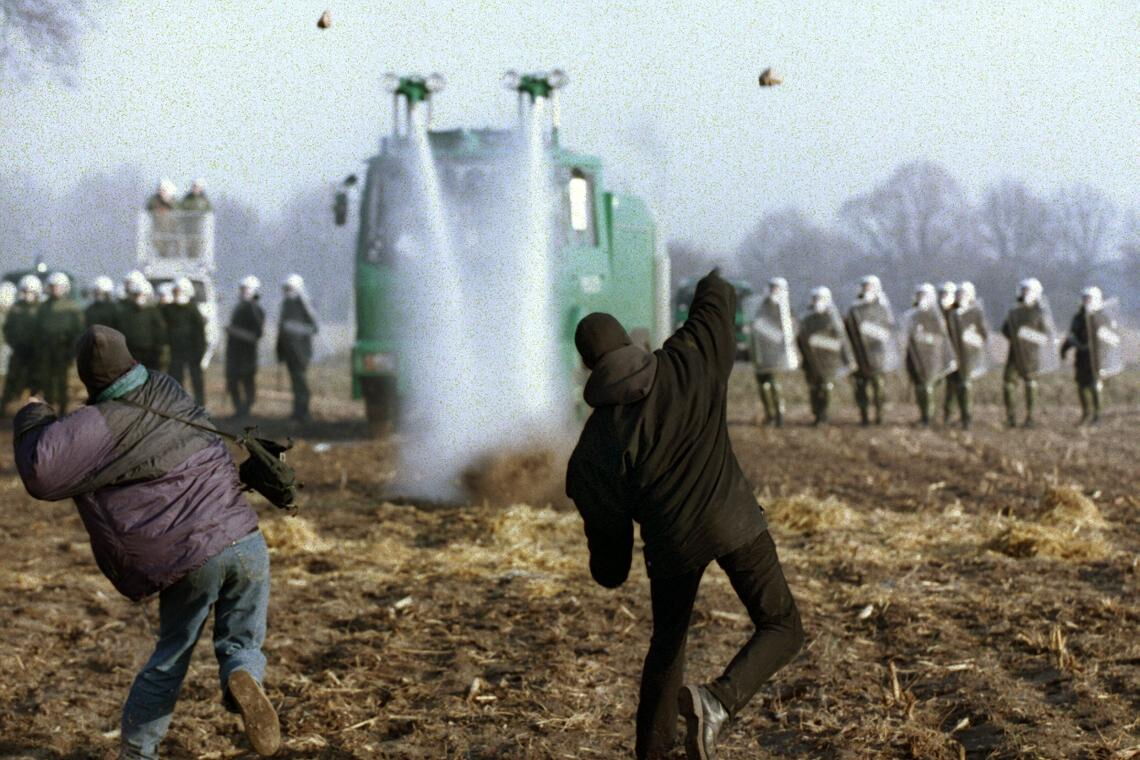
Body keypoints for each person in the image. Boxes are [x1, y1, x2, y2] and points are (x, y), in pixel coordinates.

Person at [566, 270, 804, 760]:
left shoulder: (594, 446)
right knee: (782, 625)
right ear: (631, 340)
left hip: (671, 543)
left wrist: (607, 568)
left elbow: (609, 560)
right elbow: (717, 300)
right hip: (733, 518)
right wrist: (709, 280)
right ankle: (717, 701)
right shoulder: (687, 362)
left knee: (667, 647)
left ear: (588, 365)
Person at [12, 326, 279, 759]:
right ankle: (241, 673)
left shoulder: (98, 424)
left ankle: (138, 753)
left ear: (88, 378)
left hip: (192, 557)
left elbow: (42, 472)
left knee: (172, 654)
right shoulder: (167, 388)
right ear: (130, 360)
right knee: (243, 636)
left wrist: (33, 416)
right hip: (245, 538)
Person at [1000, 278, 1054, 428]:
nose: (1024, 293)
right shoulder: (1014, 311)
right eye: (1023, 290)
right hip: (1014, 354)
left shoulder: (1039, 312)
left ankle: (1031, 417)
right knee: (1008, 383)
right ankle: (1011, 417)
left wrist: (1026, 336)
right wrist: (1015, 336)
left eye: (1028, 290)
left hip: (1030, 356)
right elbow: (1005, 330)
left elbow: (1046, 335)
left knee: (1030, 383)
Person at [845, 275, 897, 426]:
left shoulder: (882, 308)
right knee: (861, 388)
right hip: (859, 355)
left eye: (870, 286)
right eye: (865, 286)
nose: (867, 289)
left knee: (878, 387)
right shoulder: (855, 309)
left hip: (878, 356)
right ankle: (864, 417)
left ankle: (880, 416)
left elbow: (888, 330)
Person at [796, 286, 851, 426]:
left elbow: (841, 340)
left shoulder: (833, 318)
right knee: (814, 389)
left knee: (826, 388)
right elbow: (800, 339)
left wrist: (847, 359)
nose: (817, 302)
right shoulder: (806, 319)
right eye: (815, 299)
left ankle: (824, 415)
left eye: (820, 299)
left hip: (829, 361)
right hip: (811, 361)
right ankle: (817, 415)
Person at [1061, 286, 1116, 425]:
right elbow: (1072, 336)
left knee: (1095, 385)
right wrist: (1064, 349)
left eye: (1089, 298)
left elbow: (1109, 339)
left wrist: (1106, 357)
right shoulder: (1078, 317)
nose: (1086, 301)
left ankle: (1098, 416)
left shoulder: (1102, 317)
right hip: (1082, 357)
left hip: (1097, 358)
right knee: (1082, 385)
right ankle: (1086, 414)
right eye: (1084, 298)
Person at [903, 283, 955, 427]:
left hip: (932, 358)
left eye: (924, 295)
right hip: (916, 357)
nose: (921, 298)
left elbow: (940, 337)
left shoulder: (935, 316)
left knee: (927, 387)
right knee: (920, 387)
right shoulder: (913, 316)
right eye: (919, 295)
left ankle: (928, 418)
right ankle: (923, 414)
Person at [748, 277, 797, 427]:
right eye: (772, 288)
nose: (774, 291)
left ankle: (779, 415)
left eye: (777, 288)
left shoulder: (787, 309)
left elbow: (792, 328)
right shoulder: (762, 307)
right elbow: (756, 326)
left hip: (777, 355)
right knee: (763, 386)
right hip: (762, 354)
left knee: (774, 384)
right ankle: (769, 414)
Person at [36, 272, 85, 414]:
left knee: (62, 382)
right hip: (46, 349)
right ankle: (49, 409)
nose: (55, 289)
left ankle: (63, 411)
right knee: (47, 381)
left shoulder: (72, 307)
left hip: (63, 349)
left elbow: (78, 331)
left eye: (58, 286)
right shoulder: (44, 307)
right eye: (52, 286)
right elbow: (37, 329)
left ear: (65, 288)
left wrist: (72, 350)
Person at [945, 282, 989, 429]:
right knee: (951, 386)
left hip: (968, 356)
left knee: (965, 386)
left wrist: (972, 338)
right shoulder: (949, 312)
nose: (959, 296)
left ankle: (966, 418)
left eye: (963, 294)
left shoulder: (975, 312)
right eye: (958, 294)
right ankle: (947, 415)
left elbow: (983, 334)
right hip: (952, 355)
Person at [276, 274, 319, 423]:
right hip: (289, 352)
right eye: (285, 288)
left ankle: (304, 412)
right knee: (295, 383)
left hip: (301, 351)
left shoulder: (305, 304)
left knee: (301, 382)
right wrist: (280, 351)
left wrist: (292, 328)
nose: (287, 291)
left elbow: (313, 329)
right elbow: (281, 330)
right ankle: (297, 411)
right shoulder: (286, 305)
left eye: (290, 288)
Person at [2, 275, 44, 411]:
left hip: (35, 352)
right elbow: (8, 328)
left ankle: (34, 408)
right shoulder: (16, 308)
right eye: (25, 291)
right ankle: (4, 407)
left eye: (31, 292)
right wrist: (13, 342)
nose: (27, 295)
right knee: (13, 378)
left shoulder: (41, 309)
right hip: (18, 351)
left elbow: (45, 329)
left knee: (35, 379)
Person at [164, 277, 208, 405]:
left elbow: (200, 333)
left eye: (179, 291)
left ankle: (200, 405)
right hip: (175, 350)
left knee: (196, 379)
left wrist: (200, 351)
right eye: (175, 291)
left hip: (192, 351)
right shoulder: (169, 309)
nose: (177, 294)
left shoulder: (193, 309)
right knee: (176, 378)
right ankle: (177, 404)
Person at [226, 276, 265, 418]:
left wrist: (234, 331)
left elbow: (256, 335)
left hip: (247, 354)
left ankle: (245, 409)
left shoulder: (254, 309)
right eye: (242, 289)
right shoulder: (240, 306)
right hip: (235, 352)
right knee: (233, 381)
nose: (243, 292)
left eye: (246, 289)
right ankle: (239, 410)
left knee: (247, 381)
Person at [119, 272, 168, 371]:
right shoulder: (125, 311)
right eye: (136, 294)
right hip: (132, 352)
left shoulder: (153, 311)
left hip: (151, 353)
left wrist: (159, 349)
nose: (139, 297)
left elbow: (159, 331)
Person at [937, 281, 959, 423]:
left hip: (955, 353)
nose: (943, 296)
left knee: (953, 385)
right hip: (938, 353)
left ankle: (949, 414)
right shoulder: (934, 311)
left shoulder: (958, 312)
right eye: (942, 294)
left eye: (946, 294)